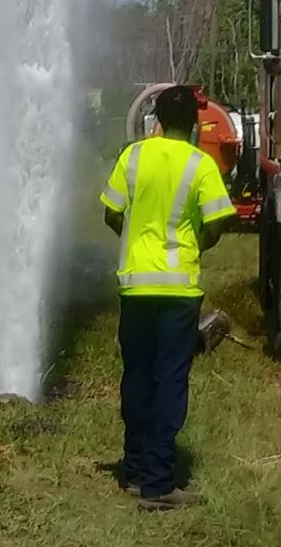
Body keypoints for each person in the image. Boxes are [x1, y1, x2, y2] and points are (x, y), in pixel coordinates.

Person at [99, 81, 236, 510]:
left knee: (136, 377)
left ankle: (136, 468)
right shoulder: (201, 165)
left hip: (135, 286)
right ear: (195, 124)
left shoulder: (133, 156)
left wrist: (136, 241)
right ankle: (159, 484)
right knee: (170, 381)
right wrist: (195, 242)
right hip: (178, 291)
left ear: (155, 120)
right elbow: (217, 223)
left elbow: (111, 212)